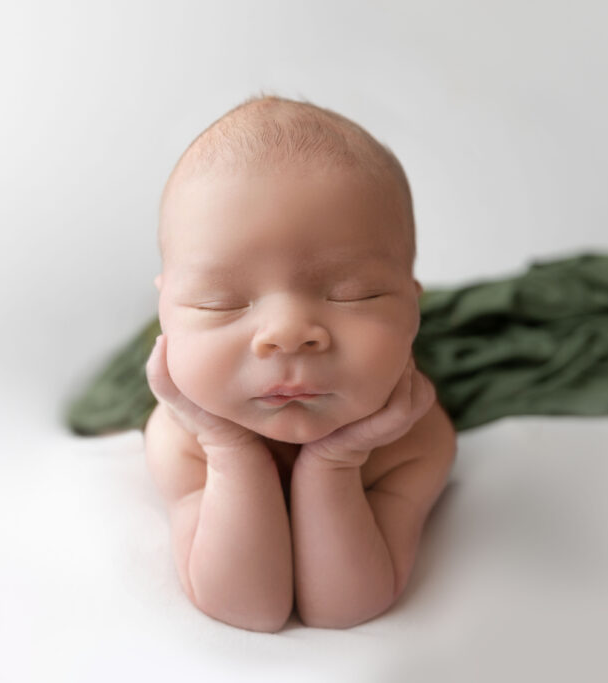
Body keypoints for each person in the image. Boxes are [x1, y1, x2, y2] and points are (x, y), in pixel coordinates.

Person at [142, 94, 457, 632]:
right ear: (165, 310)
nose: (286, 335)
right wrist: (228, 448)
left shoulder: (415, 438)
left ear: (413, 307)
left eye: (355, 294)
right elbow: (248, 608)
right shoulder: (181, 437)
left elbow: (344, 608)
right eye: (220, 301)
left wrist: (338, 461)